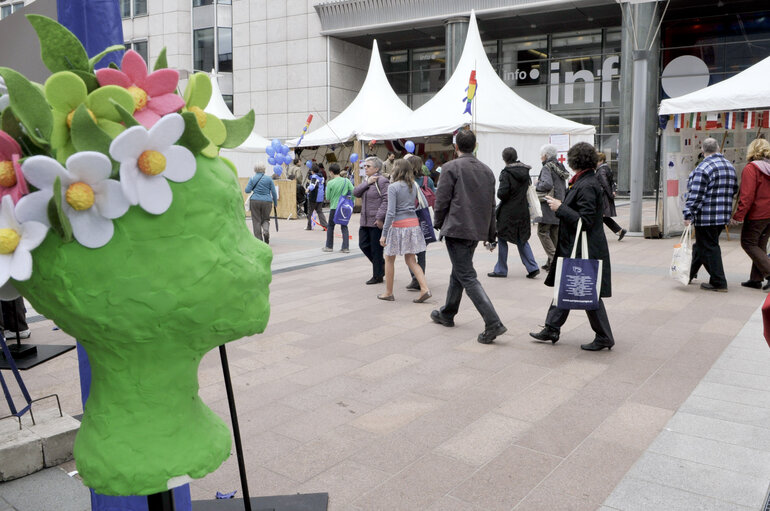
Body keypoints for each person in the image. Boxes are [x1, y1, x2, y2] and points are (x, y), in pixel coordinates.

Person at [529, 142, 615, 351]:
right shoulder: (584, 181)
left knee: (585, 288)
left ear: (574, 161)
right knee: (567, 285)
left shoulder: (586, 185)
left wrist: (560, 208)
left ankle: (604, 336)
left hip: (583, 247)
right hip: (581, 245)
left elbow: (585, 221)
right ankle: (552, 327)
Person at [430, 128, 507, 344]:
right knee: (460, 271)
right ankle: (447, 313)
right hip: (475, 229)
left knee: (466, 275)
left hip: (457, 228)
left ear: (456, 147)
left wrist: (438, 223)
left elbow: (442, 199)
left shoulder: (450, 167)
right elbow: (491, 205)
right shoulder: (487, 170)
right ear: (475, 146)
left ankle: (493, 322)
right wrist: (491, 232)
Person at [684, 137, 738, 292]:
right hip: (722, 215)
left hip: (706, 216)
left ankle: (719, 281)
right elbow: (734, 189)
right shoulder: (729, 166)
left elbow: (696, 195)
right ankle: (688, 274)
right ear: (718, 149)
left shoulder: (703, 168)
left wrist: (688, 214)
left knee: (709, 247)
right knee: (702, 245)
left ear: (703, 150)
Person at [377, 159, 431, 303]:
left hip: (398, 225)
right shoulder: (413, 185)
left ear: (397, 170)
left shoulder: (393, 187)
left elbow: (390, 212)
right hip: (413, 224)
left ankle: (388, 292)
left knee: (389, 258)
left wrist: (384, 234)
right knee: (411, 259)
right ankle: (424, 288)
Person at [488, 147, 540, 279]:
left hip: (508, 211)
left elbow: (502, 194)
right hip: (522, 210)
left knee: (502, 237)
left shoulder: (506, 173)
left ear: (505, 159)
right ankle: (532, 267)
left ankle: (501, 269)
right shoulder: (525, 171)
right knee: (521, 238)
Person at [732, 138, 770, 289]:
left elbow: (747, 196)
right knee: (760, 245)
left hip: (757, 213)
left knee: (748, 242)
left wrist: (738, 216)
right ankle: (755, 279)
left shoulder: (751, 168)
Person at [353, 156, 389, 284]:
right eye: (365, 166)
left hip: (375, 221)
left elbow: (387, 200)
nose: (365, 168)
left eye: (368, 166)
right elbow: (355, 192)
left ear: (377, 168)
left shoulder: (382, 181)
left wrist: (380, 217)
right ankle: (380, 264)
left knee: (376, 249)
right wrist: (367, 183)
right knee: (363, 245)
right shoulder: (367, 180)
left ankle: (378, 275)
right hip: (364, 220)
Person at [535, 144, 570, 271]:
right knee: (554, 233)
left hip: (549, 204)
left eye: (541, 155)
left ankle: (554, 260)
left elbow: (547, 184)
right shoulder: (560, 166)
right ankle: (554, 261)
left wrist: (537, 184)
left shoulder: (547, 167)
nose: (541, 157)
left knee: (542, 232)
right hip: (559, 203)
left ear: (546, 155)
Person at [403, 154, 434, 291]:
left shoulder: (405, 181)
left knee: (409, 251)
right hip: (424, 218)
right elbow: (433, 198)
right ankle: (420, 278)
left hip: (409, 218)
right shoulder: (428, 180)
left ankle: (415, 278)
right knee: (421, 251)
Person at [323, 163, 354, 253]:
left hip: (334, 207)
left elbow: (328, 197)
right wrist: (350, 201)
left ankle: (329, 246)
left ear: (331, 172)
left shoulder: (330, 183)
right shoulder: (346, 181)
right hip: (343, 207)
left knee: (330, 226)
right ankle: (345, 247)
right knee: (344, 226)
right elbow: (353, 191)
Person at [596, 152, 627, 240]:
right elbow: (612, 182)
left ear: (601, 160)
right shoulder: (607, 168)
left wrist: (610, 194)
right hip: (605, 196)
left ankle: (599, 237)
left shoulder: (601, 170)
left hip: (603, 197)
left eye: (597, 161)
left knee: (599, 217)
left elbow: (605, 184)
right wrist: (613, 191)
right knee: (602, 217)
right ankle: (620, 230)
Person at [244, 162, 278, 244]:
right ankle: (266, 231)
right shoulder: (269, 179)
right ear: (264, 169)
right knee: (265, 219)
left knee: (256, 221)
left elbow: (247, 190)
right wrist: (275, 203)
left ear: (255, 169)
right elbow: (273, 192)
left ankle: (259, 241)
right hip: (267, 201)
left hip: (255, 201)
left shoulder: (252, 178)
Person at [305, 164, 328, 230]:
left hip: (314, 197)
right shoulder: (322, 177)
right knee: (320, 211)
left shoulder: (314, 177)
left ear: (312, 171)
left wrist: (307, 189)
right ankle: (325, 226)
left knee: (310, 212)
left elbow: (312, 185)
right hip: (320, 197)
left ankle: (309, 226)